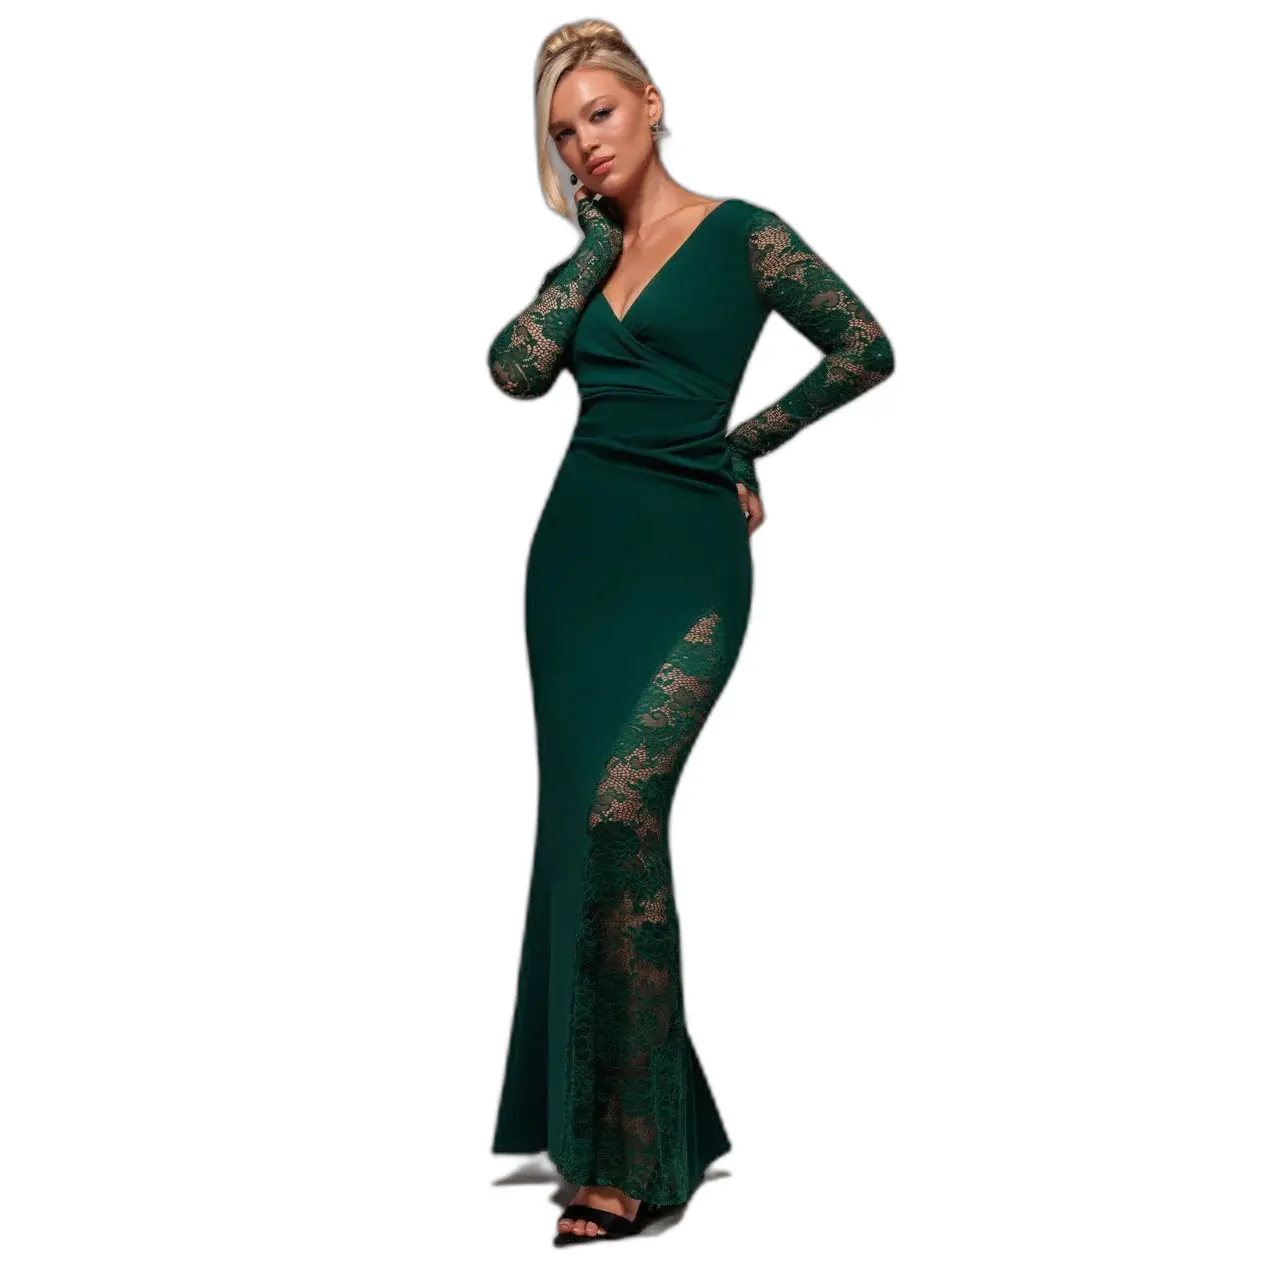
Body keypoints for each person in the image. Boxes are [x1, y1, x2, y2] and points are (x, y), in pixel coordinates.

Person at [486, 19, 896, 1245]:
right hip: (574, 564)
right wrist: (585, 251)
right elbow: (512, 371)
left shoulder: (745, 234)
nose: (583, 146)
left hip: (689, 561)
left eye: (599, 115)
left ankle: (629, 1155)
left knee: (622, 811)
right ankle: (637, 1120)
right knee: (582, 830)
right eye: (563, 135)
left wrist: (745, 444)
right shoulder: (583, 261)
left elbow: (866, 346)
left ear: (652, 104)